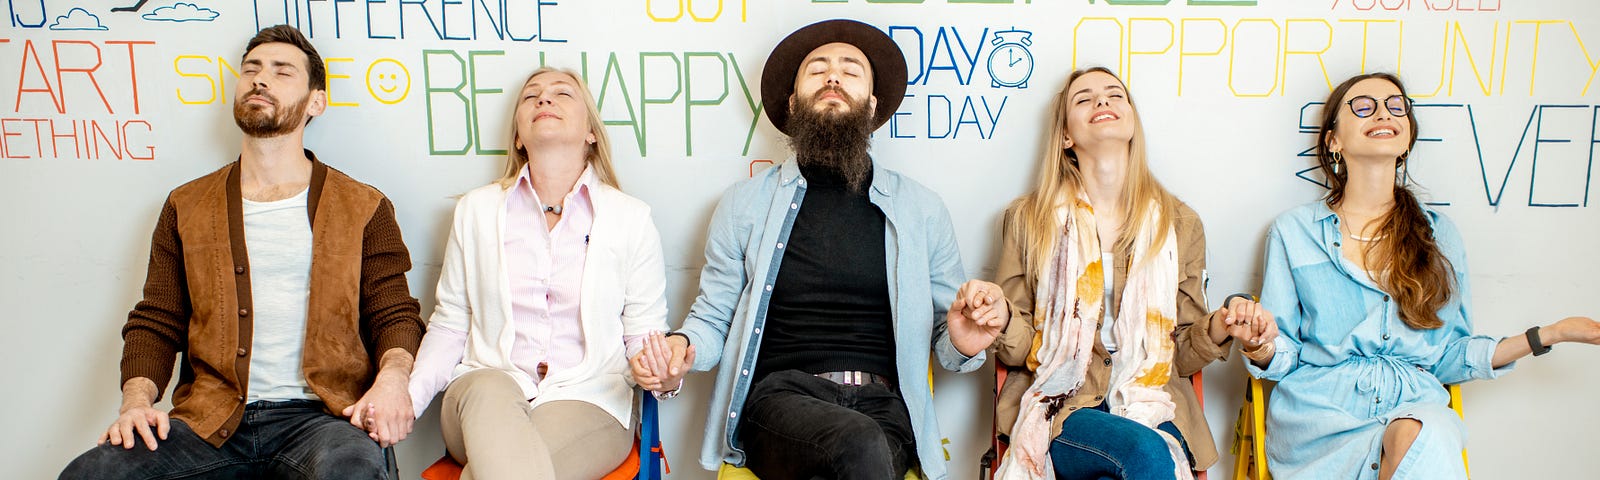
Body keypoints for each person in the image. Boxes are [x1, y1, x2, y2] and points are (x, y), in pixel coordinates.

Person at [630, 18, 1008, 480]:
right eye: (817, 69)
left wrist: (962, 341)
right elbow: (713, 318)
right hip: (782, 401)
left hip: (883, 407)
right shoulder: (744, 204)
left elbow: (949, 345)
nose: (833, 77)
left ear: (872, 105)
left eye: (850, 70)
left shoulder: (921, 209)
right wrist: (681, 347)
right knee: (857, 447)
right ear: (793, 103)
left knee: (859, 451)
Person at [60, 24, 423, 480]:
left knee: (353, 473)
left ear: (316, 101)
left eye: (281, 71)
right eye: (251, 69)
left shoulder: (365, 206)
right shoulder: (185, 205)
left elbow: (394, 315)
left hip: (322, 421)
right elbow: (157, 321)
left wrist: (393, 381)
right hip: (209, 422)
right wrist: (136, 403)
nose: (260, 79)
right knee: (92, 475)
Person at [1246, 72, 1600, 480]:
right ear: (1333, 140)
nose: (1383, 113)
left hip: (1414, 413)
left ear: (1408, 135)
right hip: (1323, 421)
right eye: (1364, 106)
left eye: (1396, 106)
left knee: (1425, 432)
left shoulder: (1439, 235)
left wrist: (1547, 335)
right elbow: (1282, 353)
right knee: (1424, 438)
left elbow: (1449, 355)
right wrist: (1258, 343)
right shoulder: (1294, 231)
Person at [989, 66, 1263, 480]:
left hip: (1153, 401)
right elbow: (1015, 351)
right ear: (1066, 136)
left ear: (1132, 121)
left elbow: (1182, 357)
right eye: (1084, 99)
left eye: (1115, 95)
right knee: (1143, 452)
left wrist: (1221, 326)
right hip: (1064, 407)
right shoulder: (1028, 219)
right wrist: (1002, 317)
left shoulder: (1179, 223)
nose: (1102, 102)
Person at [406, 66, 669, 480]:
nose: (544, 99)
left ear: (591, 133)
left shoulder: (631, 218)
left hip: (589, 400)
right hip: (481, 393)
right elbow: (450, 325)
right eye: (531, 96)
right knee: (490, 388)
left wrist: (662, 374)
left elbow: (644, 335)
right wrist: (407, 401)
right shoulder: (476, 211)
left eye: (563, 94)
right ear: (517, 136)